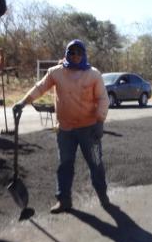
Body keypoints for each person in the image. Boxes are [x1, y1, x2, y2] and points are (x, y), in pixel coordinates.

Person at [13, 40, 109, 213]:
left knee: (95, 162)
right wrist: (23, 102)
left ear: (84, 54)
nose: (75, 56)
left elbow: (103, 98)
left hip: (90, 130)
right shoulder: (55, 72)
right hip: (65, 130)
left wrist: (100, 122)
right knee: (64, 164)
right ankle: (64, 200)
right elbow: (40, 88)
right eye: (72, 52)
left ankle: (103, 195)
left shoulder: (93, 74)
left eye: (79, 53)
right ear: (67, 54)